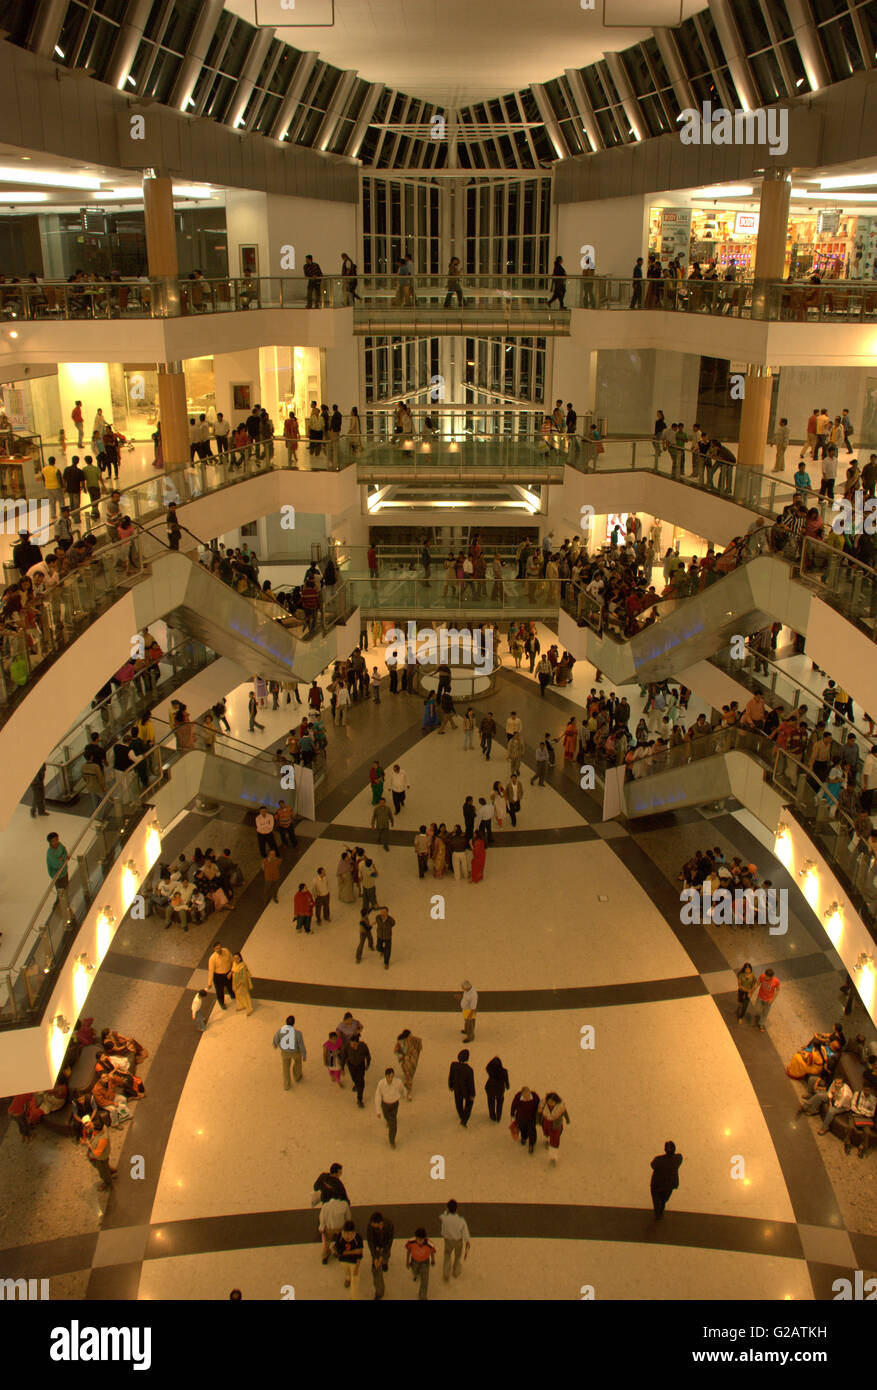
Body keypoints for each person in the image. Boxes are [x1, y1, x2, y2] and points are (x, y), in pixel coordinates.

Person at [82, 1117, 116, 1191]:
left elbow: (98, 1153)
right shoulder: (103, 1127)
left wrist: (90, 1145)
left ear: (98, 1131)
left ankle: (108, 1183)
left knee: (103, 1172)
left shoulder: (102, 1139)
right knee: (105, 1165)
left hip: (100, 1158)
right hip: (103, 1157)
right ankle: (110, 1170)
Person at [650, 1140, 683, 1218]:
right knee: (659, 1202)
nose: (668, 1149)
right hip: (657, 1185)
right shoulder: (661, 1159)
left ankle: (659, 1213)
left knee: (662, 1201)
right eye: (667, 1147)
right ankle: (658, 1214)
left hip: (665, 1185)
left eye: (670, 1147)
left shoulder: (676, 1158)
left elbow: (653, 1165)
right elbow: (653, 1165)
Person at [440, 1200, 471, 1281]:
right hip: (458, 1242)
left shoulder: (444, 1218)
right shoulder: (461, 1220)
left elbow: (441, 1216)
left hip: (448, 1241)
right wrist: (467, 1241)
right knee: (457, 1257)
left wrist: (446, 1212)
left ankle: (446, 1273)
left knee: (447, 1255)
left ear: (447, 1208)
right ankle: (456, 1272)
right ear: (456, 1209)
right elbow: (465, 1232)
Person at [375, 1066, 406, 1147]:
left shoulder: (398, 1082)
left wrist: (405, 1095)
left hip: (394, 1105)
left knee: (393, 1123)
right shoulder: (381, 1084)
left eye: (392, 1076)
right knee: (386, 1117)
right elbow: (378, 1096)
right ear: (386, 1076)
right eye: (389, 1076)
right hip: (385, 1105)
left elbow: (402, 1089)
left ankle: (392, 1140)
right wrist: (378, 1110)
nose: (390, 1078)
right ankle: (388, 1121)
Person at [273, 1014, 307, 1088]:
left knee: (285, 1068)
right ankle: (297, 1076)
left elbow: (276, 1039)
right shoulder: (298, 1033)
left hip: (285, 1053)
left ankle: (287, 1084)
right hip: (295, 1052)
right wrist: (304, 1054)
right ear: (294, 1023)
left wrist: (275, 1045)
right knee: (298, 1063)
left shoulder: (280, 1031)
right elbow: (301, 1045)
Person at [366, 1212, 394, 1300]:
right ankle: (379, 1292)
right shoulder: (370, 1226)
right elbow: (370, 1242)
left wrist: (384, 1254)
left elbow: (389, 1241)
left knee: (386, 1257)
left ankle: (385, 1262)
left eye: (375, 1226)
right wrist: (374, 1257)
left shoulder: (389, 1225)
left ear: (381, 1224)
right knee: (376, 1270)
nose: (373, 1227)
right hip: (376, 1248)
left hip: (385, 1245)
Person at [46, 831, 72, 922]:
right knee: (60, 890)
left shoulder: (60, 845)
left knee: (65, 887)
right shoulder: (50, 853)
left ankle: (64, 904)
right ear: (50, 842)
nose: (56, 842)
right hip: (57, 875)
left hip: (64, 871)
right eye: (53, 841)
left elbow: (65, 852)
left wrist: (62, 858)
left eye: (57, 840)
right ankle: (57, 906)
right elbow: (56, 864)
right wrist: (63, 859)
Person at [335, 1220, 364, 1298]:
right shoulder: (339, 1237)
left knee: (355, 1282)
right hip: (343, 1261)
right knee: (346, 1271)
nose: (348, 1236)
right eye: (346, 1233)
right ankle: (348, 1277)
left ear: (354, 1232)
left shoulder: (358, 1238)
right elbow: (340, 1252)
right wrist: (354, 1251)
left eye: (350, 1234)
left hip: (354, 1262)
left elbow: (360, 1254)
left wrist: (357, 1267)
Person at [538, 1092, 570, 1164]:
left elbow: (565, 1113)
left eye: (552, 1102)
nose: (550, 1103)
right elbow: (539, 1113)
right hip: (546, 1123)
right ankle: (547, 1140)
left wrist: (567, 1120)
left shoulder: (560, 1107)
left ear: (556, 1101)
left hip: (555, 1125)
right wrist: (538, 1120)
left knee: (554, 1141)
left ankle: (553, 1157)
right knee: (545, 1132)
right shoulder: (543, 1104)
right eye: (549, 1101)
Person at [405, 1228, 436, 1300]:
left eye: (421, 1240)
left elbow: (432, 1252)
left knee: (425, 1279)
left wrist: (433, 1260)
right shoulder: (411, 1242)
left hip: (425, 1263)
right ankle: (416, 1275)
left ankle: (422, 1296)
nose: (419, 1242)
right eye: (417, 1239)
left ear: (425, 1238)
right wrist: (407, 1261)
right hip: (414, 1261)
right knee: (415, 1272)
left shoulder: (429, 1244)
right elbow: (408, 1251)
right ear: (415, 1237)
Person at [342, 1033, 371, 1108]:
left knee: (361, 1081)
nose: (354, 1046)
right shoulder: (347, 1047)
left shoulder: (363, 1046)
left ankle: (359, 1099)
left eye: (355, 1044)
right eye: (352, 1044)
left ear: (358, 1043)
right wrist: (342, 1068)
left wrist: (368, 1064)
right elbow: (343, 1057)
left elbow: (368, 1055)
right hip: (351, 1065)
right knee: (354, 1078)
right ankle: (356, 1084)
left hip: (361, 1065)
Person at [448, 1048, 476, 1127]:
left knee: (458, 1103)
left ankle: (461, 1115)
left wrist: (451, 1085)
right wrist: (472, 1094)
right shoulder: (469, 1070)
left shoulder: (453, 1065)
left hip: (457, 1089)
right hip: (466, 1091)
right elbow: (471, 1083)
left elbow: (451, 1076)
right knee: (469, 1103)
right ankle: (464, 1120)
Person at [394, 1029, 423, 1100]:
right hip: (406, 1062)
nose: (412, 1036)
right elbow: (397, 1052)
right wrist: (403, 1057)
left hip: (412, 1062)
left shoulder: (413, 1041)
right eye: (410, 1035)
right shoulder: (401, 1043)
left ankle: (406, 1086)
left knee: (409, 1076)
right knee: (409, 1076)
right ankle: (409, 1093)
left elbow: (418, 1046)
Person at [510, 1085, 540, 1153]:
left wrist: (538, 1116)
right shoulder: (518, 1098)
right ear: (522, 1094)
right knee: (522, 1129)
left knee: (531, 1131)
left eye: (528, 1096)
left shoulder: (535, 1097)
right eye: (525, 1096)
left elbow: (539, 1106)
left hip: (531, 1118)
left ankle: (531, 1144)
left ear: (530, 1093)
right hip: (520, 1118)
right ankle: (524, 1137)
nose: (527, 1098)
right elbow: (513, 1106)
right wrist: (512, 1116)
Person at [207, 942, 236, 1009]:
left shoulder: (226, 951)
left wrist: (232, 971)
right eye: (217, 948)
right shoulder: (212, 958)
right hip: (218, 976)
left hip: (228, 973)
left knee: (231, 985)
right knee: (220, 991)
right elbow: (211, 971)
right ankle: (221, 1003)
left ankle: (233, 995)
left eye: (220, 947)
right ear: (214, 949)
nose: (219, 949)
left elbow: (232, 960)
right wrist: (209, 982)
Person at [752, 967, 780, 1032]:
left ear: (771, 977)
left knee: (765, 1013)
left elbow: (778, 990)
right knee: (757, 1009)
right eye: (765, 976)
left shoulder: (776, 981)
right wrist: (751, 991)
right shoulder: (762, 976)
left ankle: (761, 1024)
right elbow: (757, 984)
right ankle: (758, 1017)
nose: (765, 978)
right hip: (760, 997)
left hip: (768, 999)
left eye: (767, 977)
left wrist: (772, 999)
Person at [485, 1055, 510, 1121]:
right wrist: (507, 1086)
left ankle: (492, 1115)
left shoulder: (490, 1071)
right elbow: (506, 1081)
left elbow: (487, 1067)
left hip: (490, 1088)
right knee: (500, 1102)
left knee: (491, 1102)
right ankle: (499, 1116)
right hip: (500, 1089)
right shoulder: (504, 1072)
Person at [374, 904, 395, 968]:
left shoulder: (390, 920)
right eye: (381, 912)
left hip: (387, 936)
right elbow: (377, 921)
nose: (383, 914)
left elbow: (393, 924)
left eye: (384, 912)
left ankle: (386, 963)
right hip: (380, 935)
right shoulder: (378, 917)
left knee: (388, 950)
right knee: (378, 947)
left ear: (387, 913)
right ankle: (383, 951)